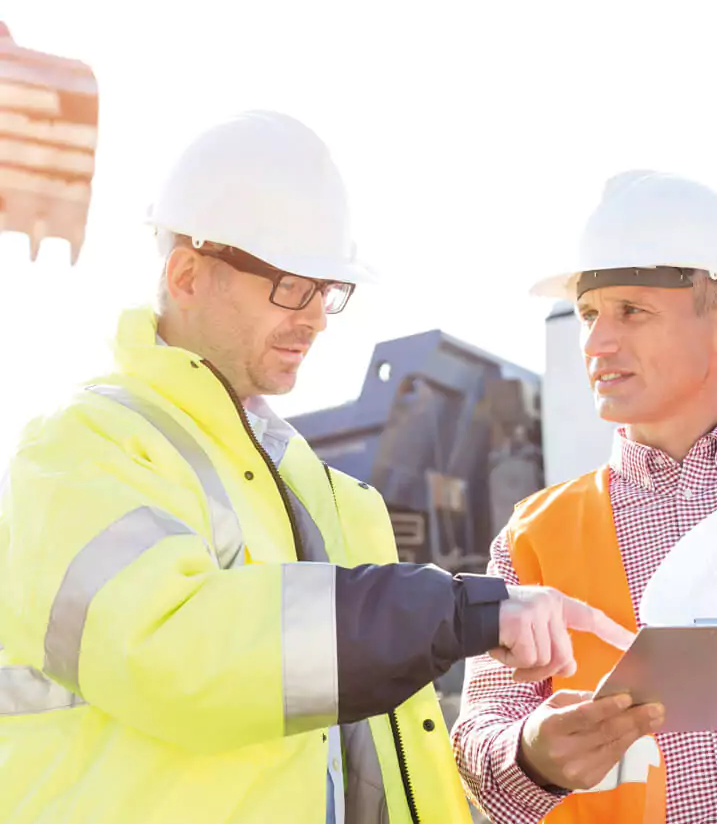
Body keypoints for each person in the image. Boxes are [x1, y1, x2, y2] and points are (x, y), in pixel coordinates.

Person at [0, 111, 633, 824]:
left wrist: (529, 762)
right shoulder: (79, 448)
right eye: (291, 286)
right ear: (186, 275)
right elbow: (177, 654)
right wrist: (456, 610)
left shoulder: (320, 489)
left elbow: (370, 756)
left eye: (327, 290)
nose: (316, 317)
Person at [452, 170, 717, 824]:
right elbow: (478, 735)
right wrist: (528, 754)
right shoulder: (531, 537)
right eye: (589, 313)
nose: (597, 342)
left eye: (632, 311)